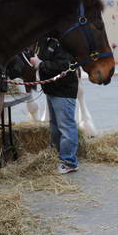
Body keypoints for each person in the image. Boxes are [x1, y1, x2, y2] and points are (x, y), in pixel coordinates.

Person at [30, 38, 79, 174]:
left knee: (66, 127)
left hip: (63, 91)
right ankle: (60, 157)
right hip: (52, 90)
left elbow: (63, 65)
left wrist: (40, 64)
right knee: (55, 126)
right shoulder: (45, 41)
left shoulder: (61, 42)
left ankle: (70, 162)